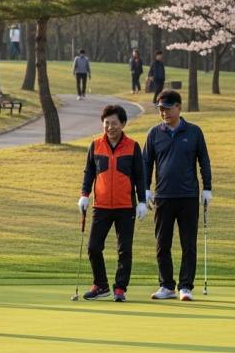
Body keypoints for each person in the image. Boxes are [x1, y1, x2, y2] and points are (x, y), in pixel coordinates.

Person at [143, 90, 212, 302]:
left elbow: (204, 161)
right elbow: (146, 163)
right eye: (161, 109)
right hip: (163, 196)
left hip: (188, 196)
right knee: (162, 243)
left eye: (167, 108)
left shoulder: (194, 132)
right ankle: (166, 285)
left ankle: (185, 286)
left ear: (179, 107)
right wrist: (145, 189)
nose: (164, 112)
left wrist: (207, 188)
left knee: (188, 243)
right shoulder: (154, 133)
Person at [78, 104, 148, 302]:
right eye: (106, 123)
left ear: (123, 124)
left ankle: (120, 288)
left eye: (114, 123)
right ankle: (101, 285)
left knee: (124, 249)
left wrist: (142, 200)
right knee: (93, 247)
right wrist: (84, 194)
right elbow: (89, 172)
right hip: (101, 206)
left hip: (126, 206)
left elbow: (140, 176)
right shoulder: (95, 145)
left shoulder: (133, 146)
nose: (110, 127)